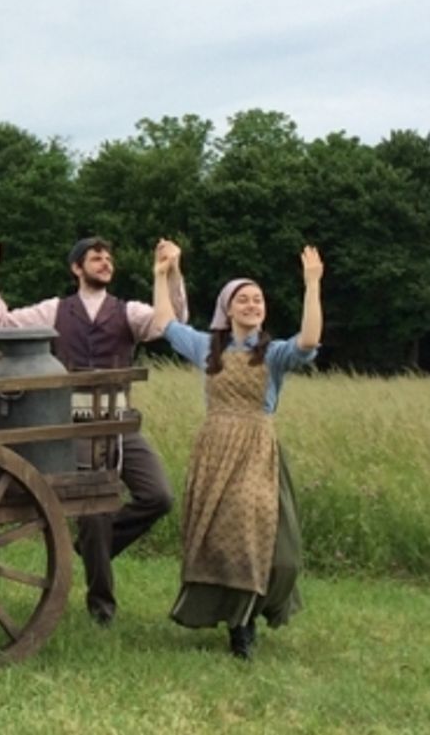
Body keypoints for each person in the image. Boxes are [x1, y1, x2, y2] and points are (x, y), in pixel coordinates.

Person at [0, 235, 187, 625]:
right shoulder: (56, 309)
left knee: (159, 495)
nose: (105, 262)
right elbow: (3, 323)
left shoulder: (129, 312)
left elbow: (170, 324)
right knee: (94, 514)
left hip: (121, 422)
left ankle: (92, 549)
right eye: (95, 258)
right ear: (76, 268)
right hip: (73, 424)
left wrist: (171, 274)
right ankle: (102, 607)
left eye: (108, 257)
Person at [152, 246, 323, 660]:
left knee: (255, 532)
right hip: (214, 448)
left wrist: (312, 284)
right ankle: (237, 625)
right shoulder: (208, 349)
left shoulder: (275, 353)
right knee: (219, 539)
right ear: (226, 310)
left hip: (257, 449)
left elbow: (310, 338)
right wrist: (162, 275)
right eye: (242, 299)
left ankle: (248, 619)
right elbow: (164, 323)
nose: (252, 304)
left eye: (258, 298)